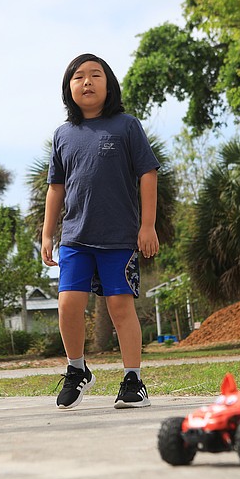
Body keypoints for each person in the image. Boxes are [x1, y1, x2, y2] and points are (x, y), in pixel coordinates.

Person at [41, 53, 160, 410]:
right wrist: (48, 234)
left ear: (109, 85)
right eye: (78, 77)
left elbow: (148, 173)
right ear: (69, 88)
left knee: (120, 307)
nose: (87, 82)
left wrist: (148, 225)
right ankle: (77, 370)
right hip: (75, 237)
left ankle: (133, 380)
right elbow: (55, 188)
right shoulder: (63, 135)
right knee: (67, 306)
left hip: (119, 236)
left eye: (96, 75)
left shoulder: (126, 126)